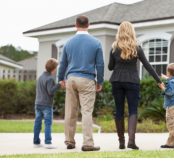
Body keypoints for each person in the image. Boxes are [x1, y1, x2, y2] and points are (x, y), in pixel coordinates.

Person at [108, 21, 164, 150]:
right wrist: (159, 81)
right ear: (132, 31)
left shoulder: (114, 48)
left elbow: (110, 67)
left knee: (119, 111)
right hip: (132, 81)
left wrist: (117, 61)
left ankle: (121, 142)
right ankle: (131, 141)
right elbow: (147, 65)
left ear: (119, 32)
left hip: (117, 80)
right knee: (133, 110)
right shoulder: (136, 48)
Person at [58, 15, 104, 152]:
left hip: (71, 79)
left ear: (75, 25)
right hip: (87, 79)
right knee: (87, 112)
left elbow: (63, 63)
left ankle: (69, 141)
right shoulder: (96, 42)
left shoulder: (69, 42)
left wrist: (60, 78)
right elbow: (100, 64)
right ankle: (88, 143)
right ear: (88, 25)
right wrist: (100, 81)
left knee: (70, 111)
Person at [33, 58, 60, 149]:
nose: (56, 69)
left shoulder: (40, 77)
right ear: (53, 69)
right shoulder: (50, 79)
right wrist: (59, 85)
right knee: (48, 123)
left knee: (37, 123)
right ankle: (48, 142)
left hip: (38, 104)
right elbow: (51, 92)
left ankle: (36, 142)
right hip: (46, 105)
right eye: (56, 68)